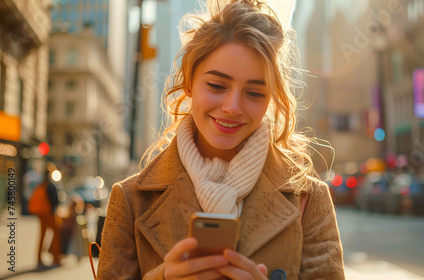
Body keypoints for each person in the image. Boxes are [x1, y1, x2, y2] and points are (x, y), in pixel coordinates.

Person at [97, 0, 344, 279]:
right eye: (217, 86)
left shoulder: (309, 199)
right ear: (189, 82)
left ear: (271, 99)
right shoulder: (130, 200)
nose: (233, 106)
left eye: (254, 93)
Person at [36, 168, 61, 269]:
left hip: (41, 215)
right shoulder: (51, 186)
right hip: (50, 214)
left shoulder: (41, 186)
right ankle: (56, 258)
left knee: (42, 237)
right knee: (56, 236)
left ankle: (39, 259)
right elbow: (55, 201)